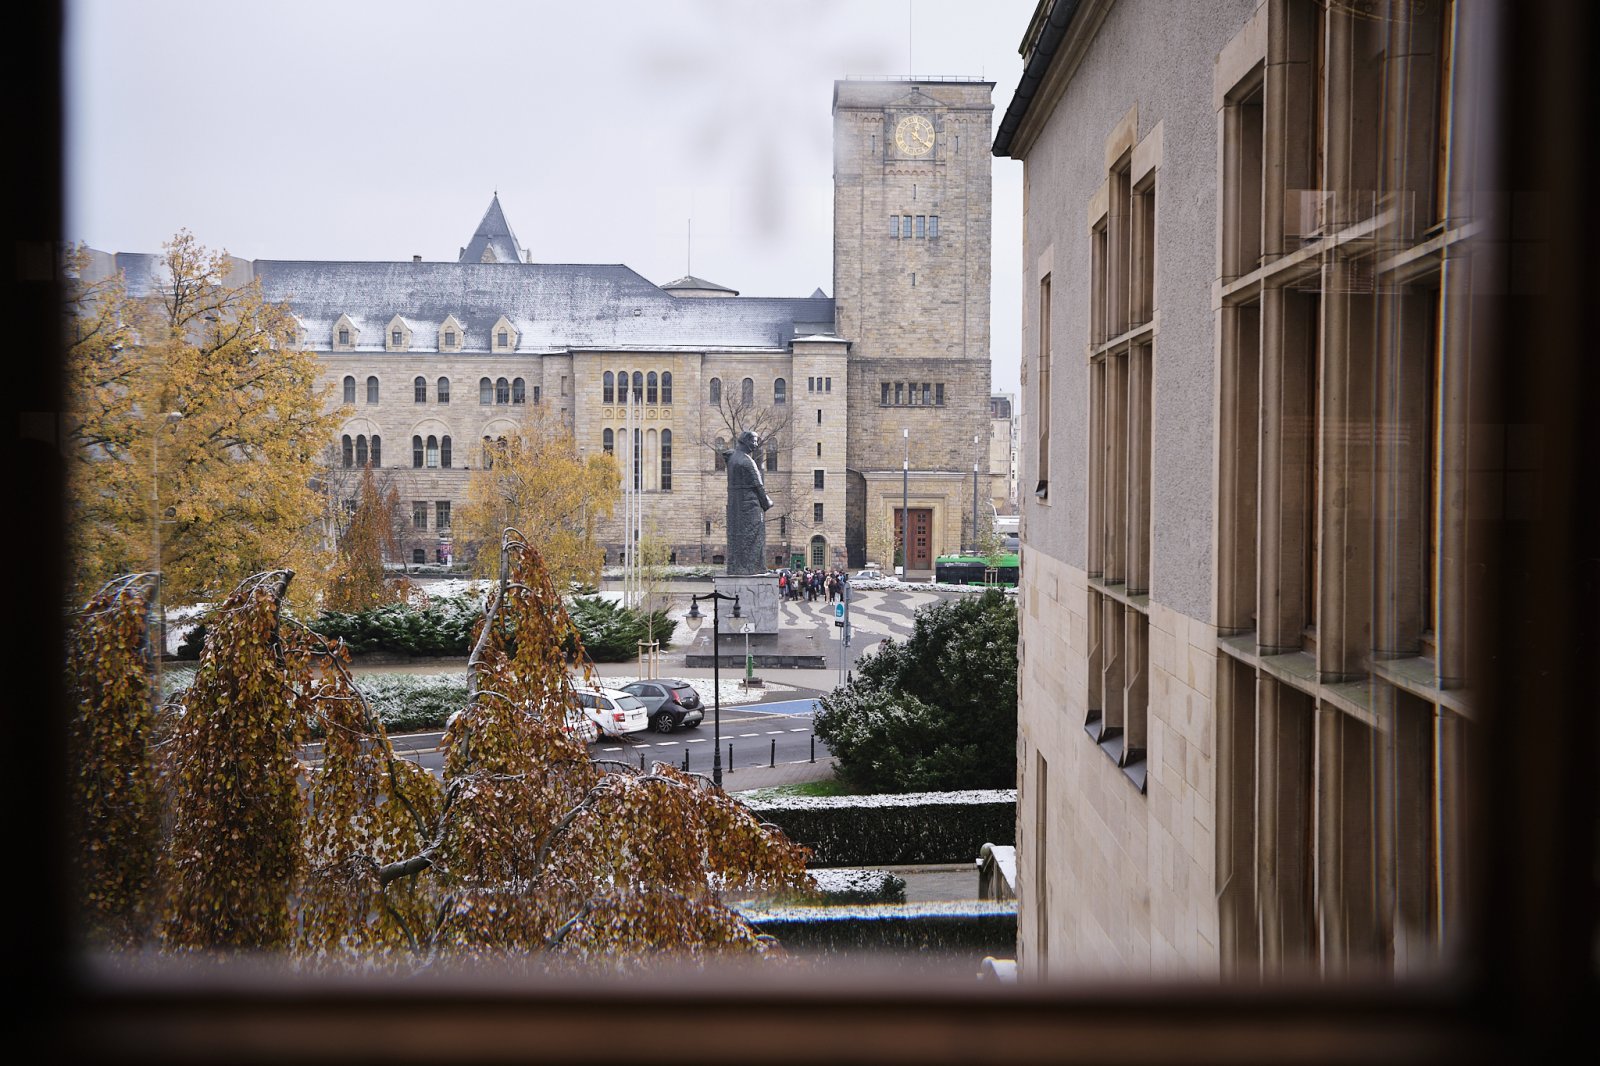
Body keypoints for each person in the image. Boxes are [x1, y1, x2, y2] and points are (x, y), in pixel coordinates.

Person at [724, 430, 773, 575]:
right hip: (750, 505)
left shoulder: (732, 458)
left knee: (736, 536)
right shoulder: (747, 461)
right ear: (745, 441)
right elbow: (758, 485)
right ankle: (754, 568)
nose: (756, 444)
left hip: (735, 504)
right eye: (754, 441)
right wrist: (767, 502)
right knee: (755, 535)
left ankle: (737, 566)